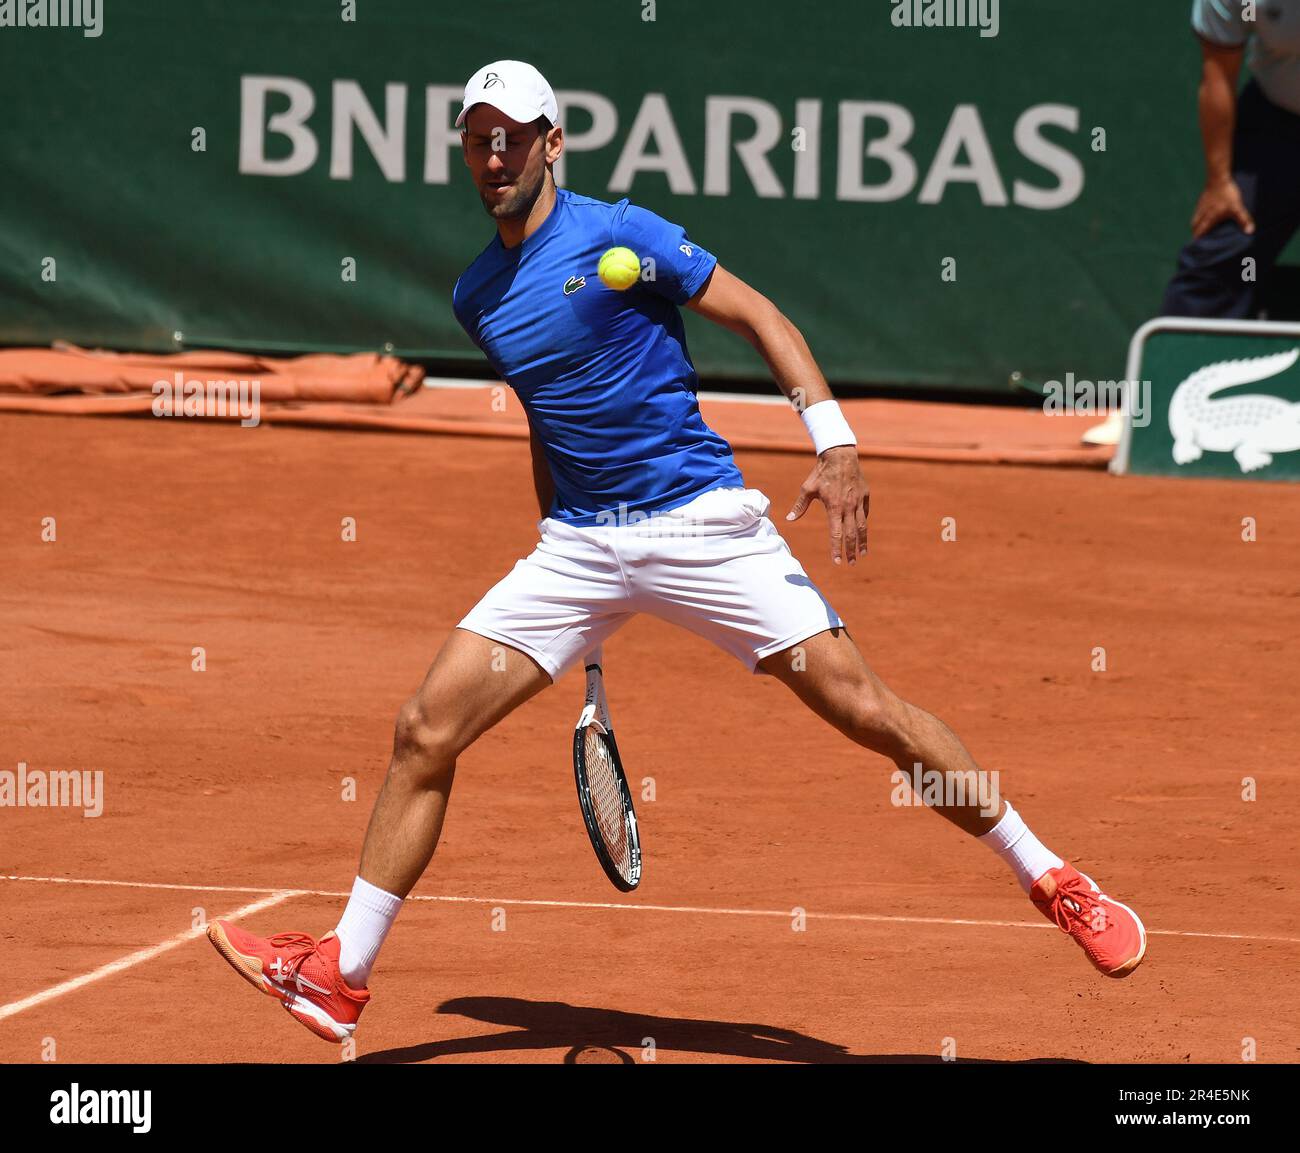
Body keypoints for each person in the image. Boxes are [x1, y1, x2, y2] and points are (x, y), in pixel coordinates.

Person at [207, 60, 1146, 1044]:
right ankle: (339, 974)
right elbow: (547, 416)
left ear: (551, 143)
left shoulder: (620, 234)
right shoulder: (477, 294)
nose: (495, 155)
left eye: (513, 137)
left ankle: (1051, 877)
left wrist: (834, 442)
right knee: (423, 729)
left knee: (866, 709)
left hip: (701, 525)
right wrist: (559, 551)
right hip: (578, 547)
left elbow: (760, 314)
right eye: (479, 137)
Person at [1086, 0, 1300, 445]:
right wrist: (1220, 182)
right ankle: (1154, 408)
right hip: (1278, 122)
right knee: (1224, 246)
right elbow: (1218, 75)